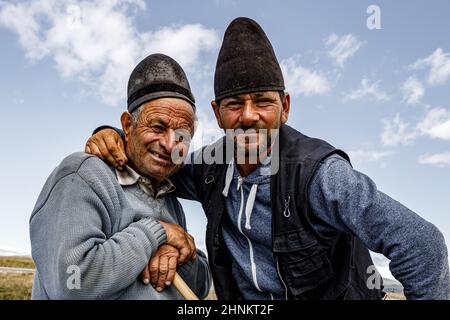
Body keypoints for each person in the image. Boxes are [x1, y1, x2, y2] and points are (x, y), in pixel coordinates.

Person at [85, 18, 449, 300]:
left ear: (284, 107)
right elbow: (154, 160)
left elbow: (424, 247)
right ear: (216, 113)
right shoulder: (208, 170)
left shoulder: (319, 175)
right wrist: (116, 136)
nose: (248, 116)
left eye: (262, 101)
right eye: (233, 104)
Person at [30, 53, 211, 299]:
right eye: (158, 127)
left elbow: (198, 289)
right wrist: (157, 232)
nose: (171, 144)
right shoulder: (82, 176)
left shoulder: (170, 197)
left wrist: (181, 253)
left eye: (182, 135)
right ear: (127, 125)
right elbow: (71, 283)